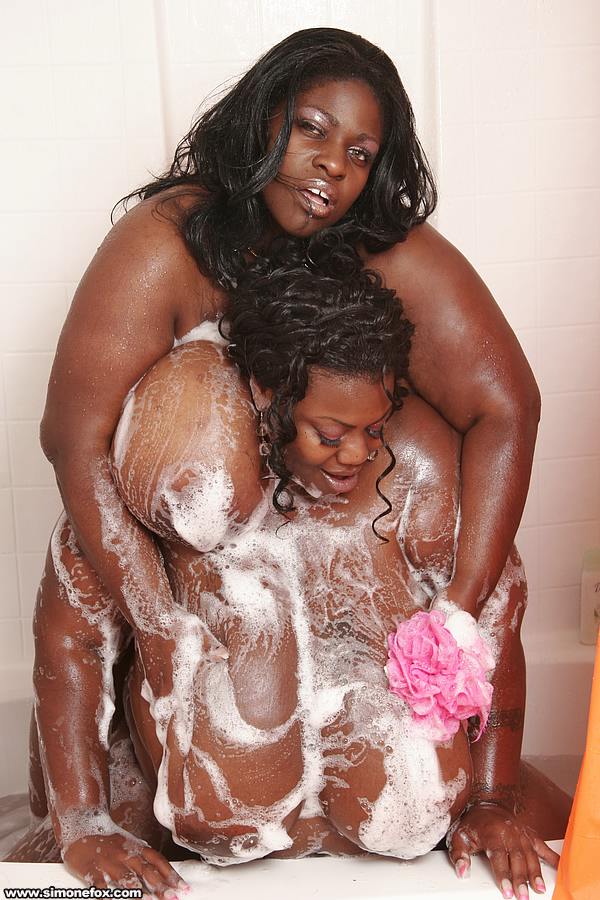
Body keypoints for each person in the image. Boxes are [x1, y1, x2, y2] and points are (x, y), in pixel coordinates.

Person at [9, 243, 569, 900]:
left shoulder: (421, 476)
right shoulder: (178, 473)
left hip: (391, 839)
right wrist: (84, 822)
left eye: (375, 429)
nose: (356, 454)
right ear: (267, 395)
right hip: (193, 832)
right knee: (44, 864)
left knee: (567, 849)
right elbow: (73, 636)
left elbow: (494, 617)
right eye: (329, 435)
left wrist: (492, 800)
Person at [39, 28, 540, 712]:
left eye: (360, 154)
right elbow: (73, 438)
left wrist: (460, 607)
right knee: (84, 565)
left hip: (332, 564)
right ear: (263, 118)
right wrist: (156, 624)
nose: (333, 164)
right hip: (190, 568)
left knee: (479, 539)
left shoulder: (383, 248)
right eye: (312, 128)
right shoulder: (165, 244)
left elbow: (508, 405)